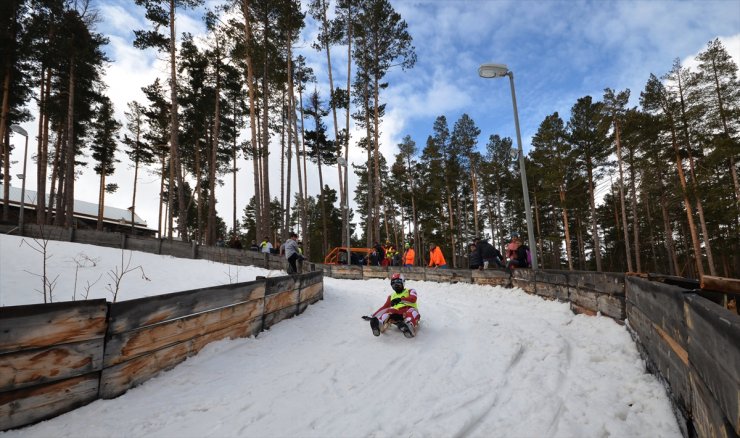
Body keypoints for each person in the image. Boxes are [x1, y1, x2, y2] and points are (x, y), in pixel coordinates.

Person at [368, 273, 420, 338]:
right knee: (389, 310)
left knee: (411, 312)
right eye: (393, 283)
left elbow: (413, 299)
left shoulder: (410, 290)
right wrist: (373, 316)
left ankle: (409, 325)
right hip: (397, 313)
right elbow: (384, 307)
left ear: (403, 282)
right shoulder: (391, 296)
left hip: (409, 310)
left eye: (398, 282)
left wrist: (400, 299)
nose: (396, 285)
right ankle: (379, 324)